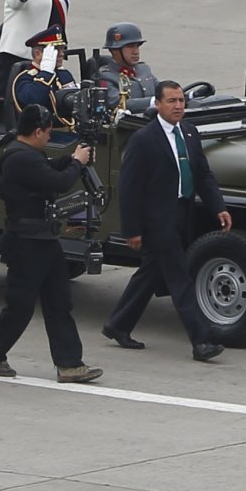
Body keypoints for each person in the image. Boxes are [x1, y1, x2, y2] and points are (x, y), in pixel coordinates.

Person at [102, 81, 229, 361]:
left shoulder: (190, 133)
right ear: (157, 105)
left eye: (181, 100)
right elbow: (129, 189)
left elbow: (203, 175)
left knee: (151, 273)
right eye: (171, 101)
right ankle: (201, 341)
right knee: (180, 278)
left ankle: (118, 324)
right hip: (157, 221)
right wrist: (132, 230)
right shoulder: (143, 139)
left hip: (182, 215)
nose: (178, 106)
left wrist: (218, 207)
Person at [0, 103, 103, 383]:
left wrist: (72, 157)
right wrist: (77, 162)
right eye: (48, 133)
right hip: (26, 243)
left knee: (59, 302)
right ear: (36, 132)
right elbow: (59, 182)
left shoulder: (27, 153)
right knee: (20, 305)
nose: (49, 137)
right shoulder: (19, 158)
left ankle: (70, 364)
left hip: (43, 240)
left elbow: (47, 169)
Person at [10, 25, 78, 128]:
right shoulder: (25, 78)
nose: (61, 54)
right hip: (42, 134)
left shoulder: (64, 74)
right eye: (55, 50)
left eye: (62, 49)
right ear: (38, 54)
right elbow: (33, 100)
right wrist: (46, 73)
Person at [96, 23, 158, 113]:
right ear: (114, 50)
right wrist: (154, 102)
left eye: (137, 46)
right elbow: (118, 103)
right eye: (130, 46)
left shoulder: (144, 69)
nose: (136, 51)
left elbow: (162, 89)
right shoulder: (105, 77)